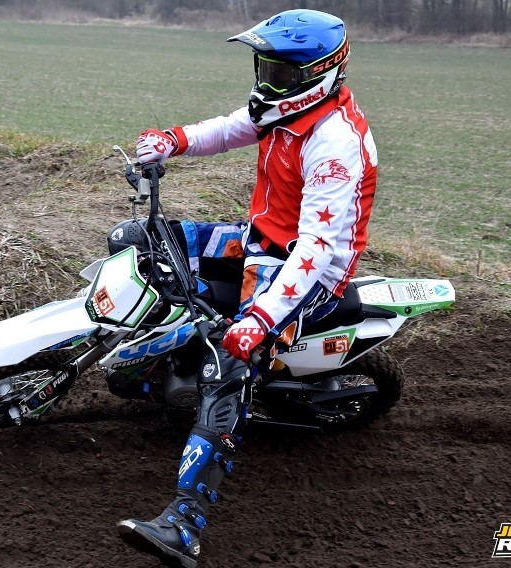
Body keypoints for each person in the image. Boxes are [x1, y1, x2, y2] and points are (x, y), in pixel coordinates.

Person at [116, 9, 378, 568]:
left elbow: (316, 249)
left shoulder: (335, 143)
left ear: (321, 72)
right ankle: (158, 362)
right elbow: (234, 126)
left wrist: (259, 321)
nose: (267, 80)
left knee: (229, 365)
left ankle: (185, 523)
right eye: (265, 65)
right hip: (257, 240)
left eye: (280, 71)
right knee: (139, 238)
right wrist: (174, 140)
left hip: (304, 274)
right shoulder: (284, 108)